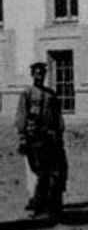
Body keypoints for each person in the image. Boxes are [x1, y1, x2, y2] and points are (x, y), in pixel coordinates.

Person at [15, 62, 68, 219]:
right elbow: (21, 116)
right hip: (34, 138)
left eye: (42, 74)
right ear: (32, 75)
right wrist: (22, 137)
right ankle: (38, 207)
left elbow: (58, 116)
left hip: (50, 139)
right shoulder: (27, 93)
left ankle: (52, 207)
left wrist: (59, 134)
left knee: (56, 172)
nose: (40, 76)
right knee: (40, 172)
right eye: (37, 73)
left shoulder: (51, 94)